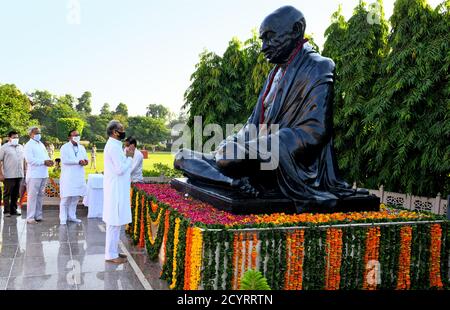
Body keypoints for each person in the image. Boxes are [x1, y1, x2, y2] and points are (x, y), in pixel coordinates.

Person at [103, 120, 134, 264]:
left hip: (118, 188)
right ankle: (110, 254)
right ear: (115, 132)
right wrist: (129, 158)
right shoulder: (114, 147)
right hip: (115, 190)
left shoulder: (116, 145)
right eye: (121, 129)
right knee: (113, 223)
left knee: (116, 223)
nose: (123, 131)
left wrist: (126, 156)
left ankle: (113, 251)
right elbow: (120, 169)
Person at [24, 126, 54, 224]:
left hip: (43, 173)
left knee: (40, 195)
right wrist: (43, 162)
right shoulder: (28, 145)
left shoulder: (41, 144)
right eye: (36, 133)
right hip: (34, 175)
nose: (38, 135)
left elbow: (45, 156)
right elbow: (30, 160)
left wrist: (49, 161)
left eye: (39, 133)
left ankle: (38, 215)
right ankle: (30, 217)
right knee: (32, 196)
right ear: (31, 134)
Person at [59, 130, 88, 225]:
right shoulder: (64, 147)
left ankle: (72, 216)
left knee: (75, 198)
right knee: (66, 198)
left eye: (78, 135)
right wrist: (78, 161)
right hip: (68, 177)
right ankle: (63, 218)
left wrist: (86, 162)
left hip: (79, 176)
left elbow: (85, 158)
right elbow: (65, 160)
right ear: (69, 137)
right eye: (74, 135)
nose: (77, 137)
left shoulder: (82, 147)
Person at [0, 131, 25, 217]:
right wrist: (1, 174)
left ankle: (13, 210)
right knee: (7, 193)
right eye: (14, 137)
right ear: (9, 138)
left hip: (19, 174)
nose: (16, 139)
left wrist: (25, 171)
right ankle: (6, 211)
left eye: (17, 137)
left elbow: (24, 160)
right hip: (8, 175)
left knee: (16, 194)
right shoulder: (4, 147)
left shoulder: (21, 147)